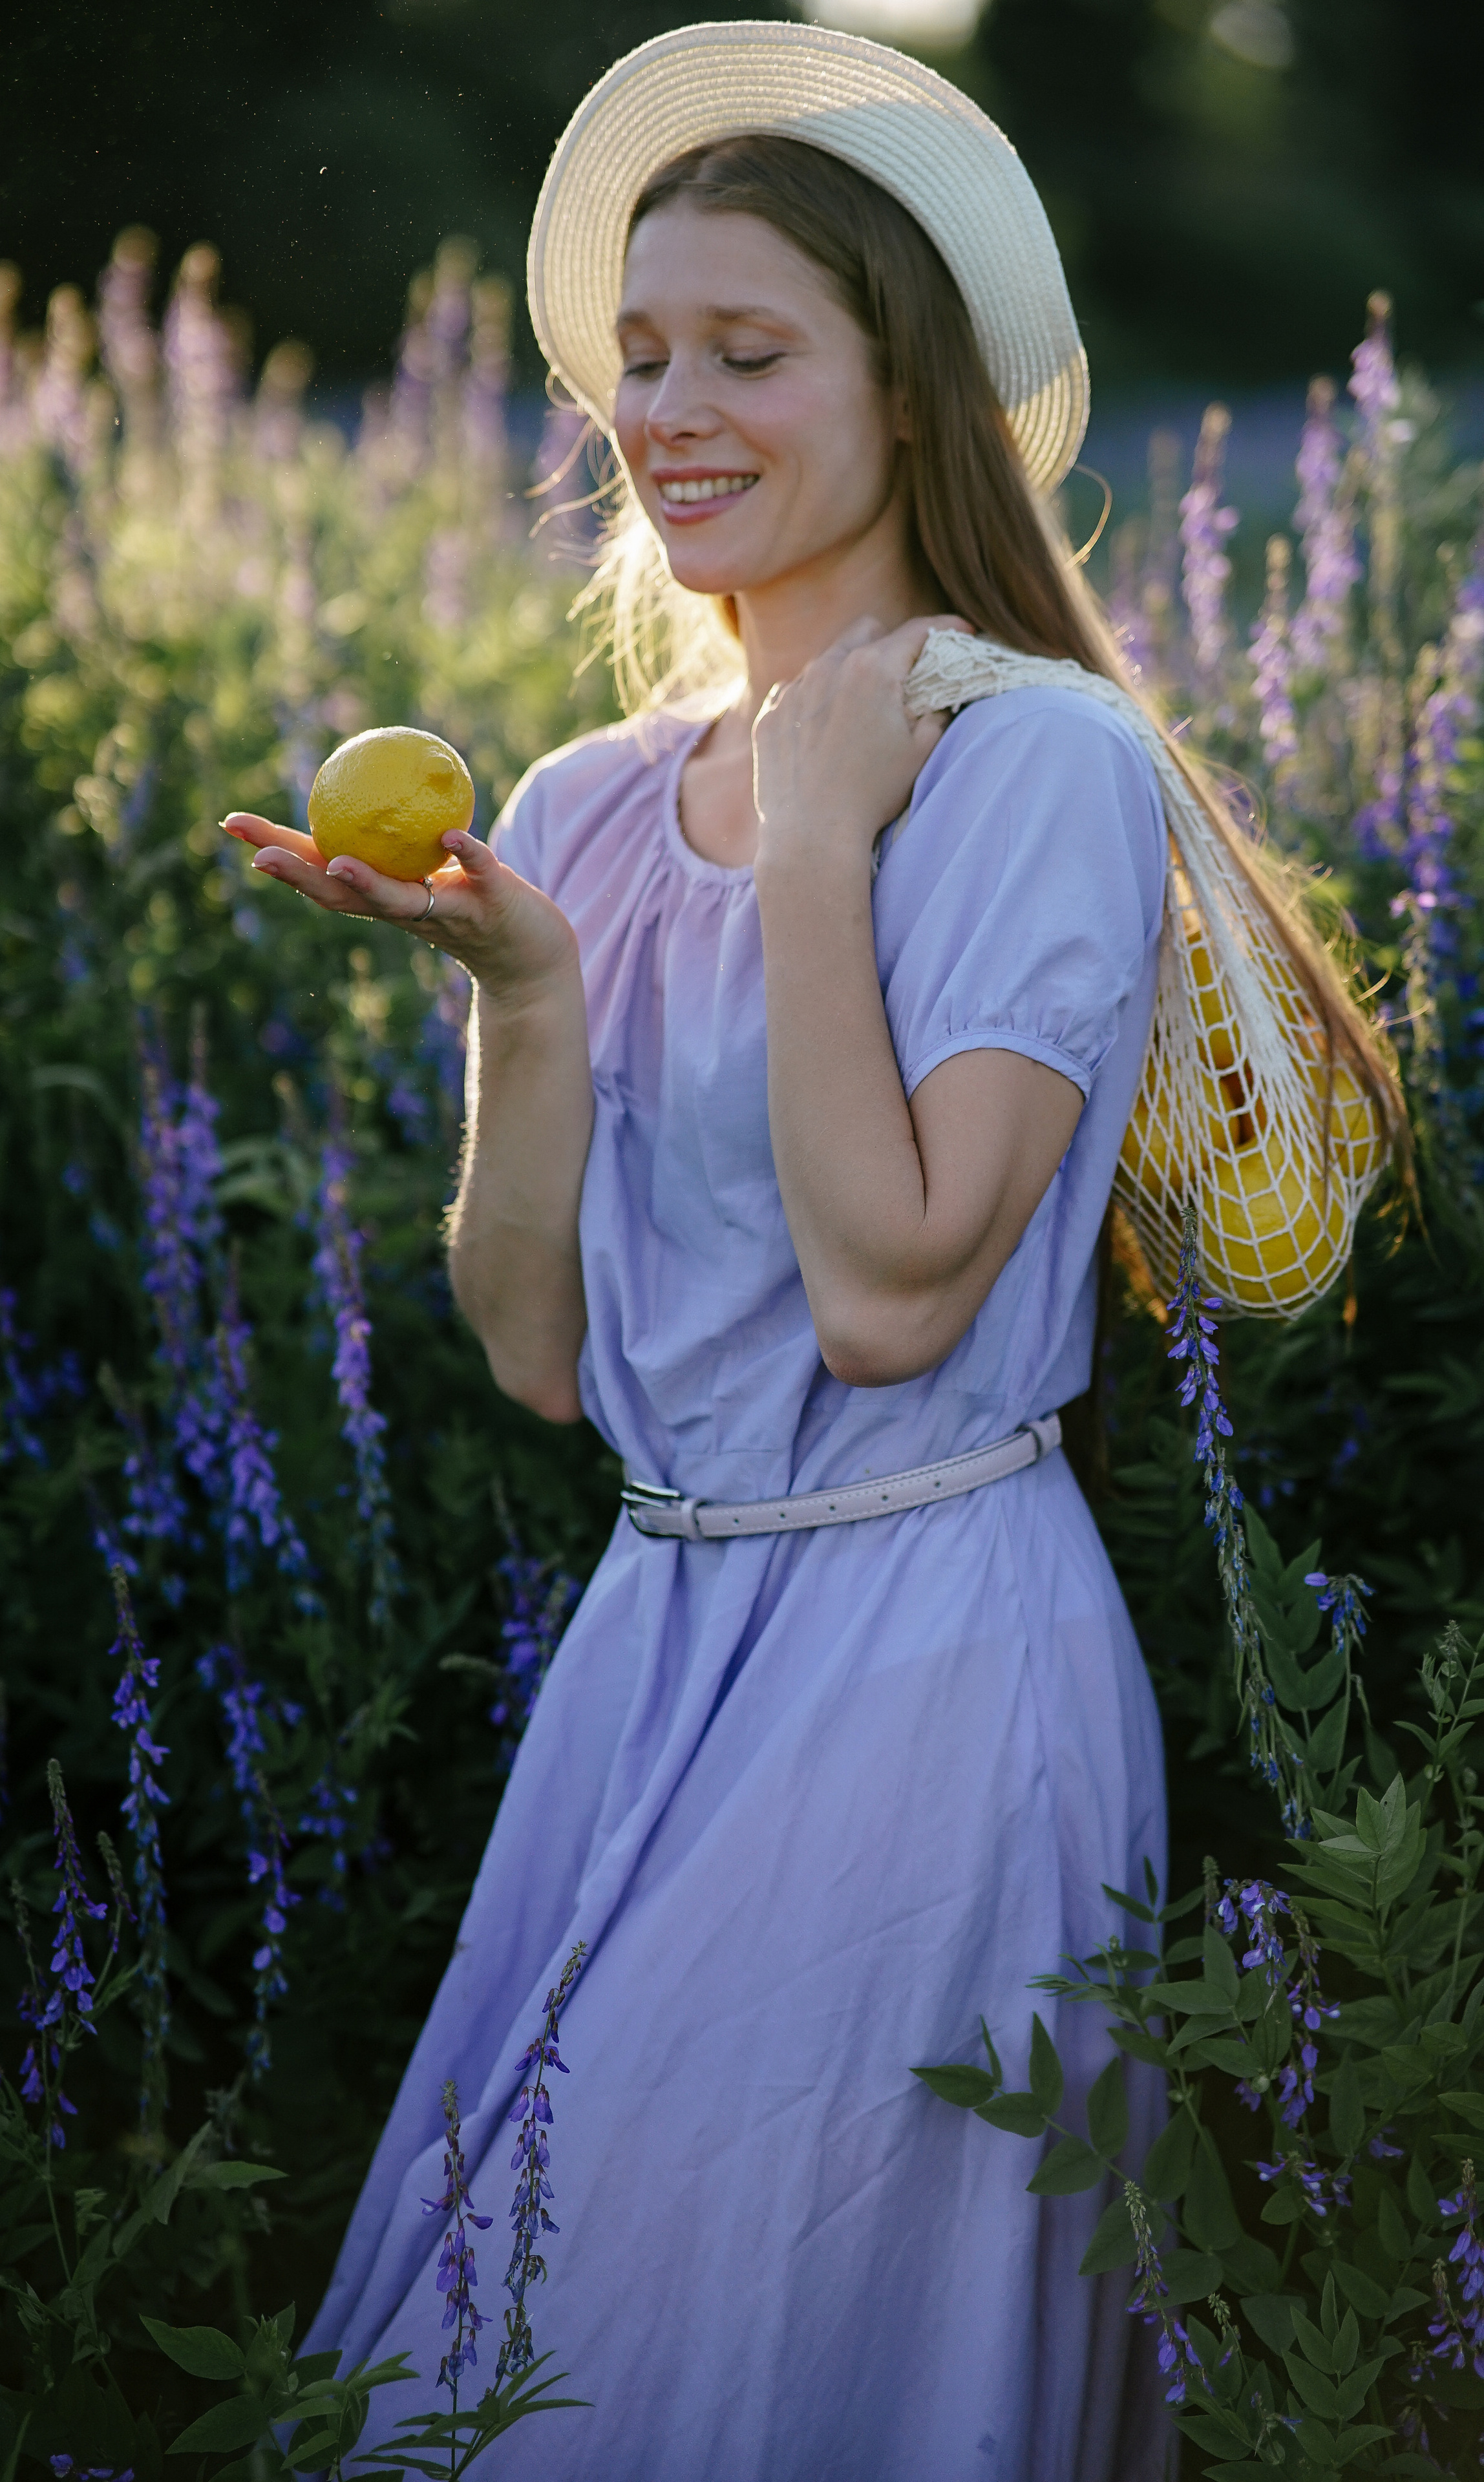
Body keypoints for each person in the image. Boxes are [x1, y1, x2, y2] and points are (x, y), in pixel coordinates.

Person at [223, 23, 1401, 2477]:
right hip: (663, 1646)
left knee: (774, 2358)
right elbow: (543, 1356)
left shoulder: (1038, 764)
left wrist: (835, 850)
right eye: (641, 354)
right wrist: (532, 995)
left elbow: (893, 1299)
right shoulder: (588, 801)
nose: (669, 409)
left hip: (932, 1657)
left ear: (916, 394)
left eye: (749, 352)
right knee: (551, 2345)